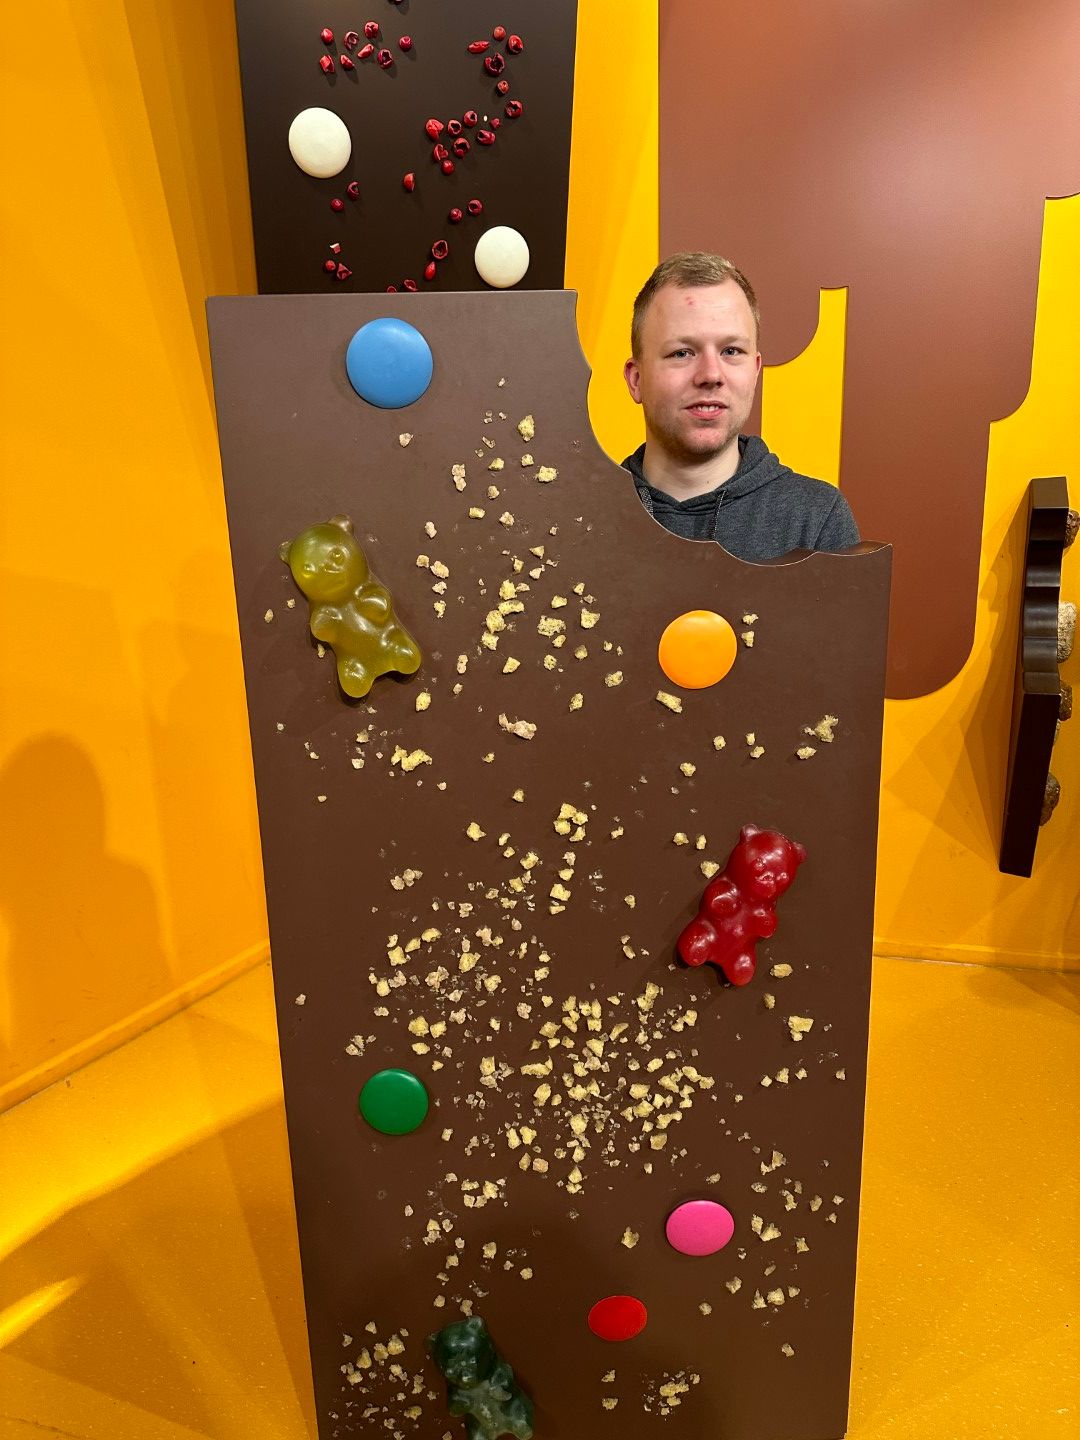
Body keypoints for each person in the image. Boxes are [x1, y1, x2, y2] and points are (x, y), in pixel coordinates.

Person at [622, 252, 860, 560]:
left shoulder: (816, 521)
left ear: (755, 371)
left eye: (731, 351)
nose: (711, 375)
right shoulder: (577, 516)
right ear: (636, 379)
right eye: (682, 353)